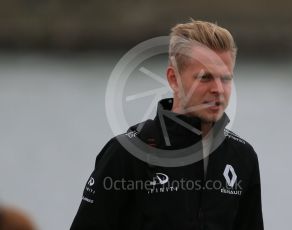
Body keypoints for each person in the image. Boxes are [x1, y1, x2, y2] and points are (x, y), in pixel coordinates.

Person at [71, 19, 264, 230]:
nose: (218, 89)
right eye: (205, 77)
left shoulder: (242, 156)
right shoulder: (126, 153)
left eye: (226, 78)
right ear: (174, 79)